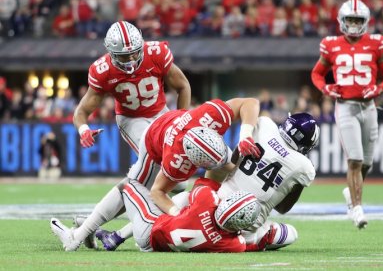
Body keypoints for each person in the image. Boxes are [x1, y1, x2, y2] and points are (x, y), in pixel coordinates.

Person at [50, 97, 261, 251]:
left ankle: (91, 229)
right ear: (192, 161)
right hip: (153, 144)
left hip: (172, 122)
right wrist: (179, 214)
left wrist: (245, 135)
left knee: (177, 197)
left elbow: (250, 102)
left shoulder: (209, 116)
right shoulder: (175, 161)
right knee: (132, 185)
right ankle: (81, 235)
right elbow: (157, 192)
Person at [72, 20, 191, 248]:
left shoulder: (156, 53)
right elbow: (82, 111)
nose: (128, 61)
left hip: (162, 115)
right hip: (131, 120)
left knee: (179, 184)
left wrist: (181, 119)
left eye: (132, 54)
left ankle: (90, 225)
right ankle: (95, 226)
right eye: (122, 56)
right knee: (152, 176)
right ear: (110, 53)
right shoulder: (103, 70)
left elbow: (183, 85)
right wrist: (83, 129)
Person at [310, 0, 383, 229]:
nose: (354, 24)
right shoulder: (331, 45)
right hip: (346, 106)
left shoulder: (376, 44)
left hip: (369, 107)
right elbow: (317, 74)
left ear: (366, 21)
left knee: (366, 163)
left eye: (358, 20)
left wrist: (378, 88)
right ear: (341, 20)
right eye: (350, 19)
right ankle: (357, 208)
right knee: (355, 160)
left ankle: (351, 193)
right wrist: (325, 88)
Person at [53, 176, 261, 253]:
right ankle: (103, 234)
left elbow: (205, 181)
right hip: (159, 244)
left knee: (129, 184)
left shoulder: (206, 200)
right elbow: (246, 242)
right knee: (177, 201)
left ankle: (74, 239)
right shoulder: (234, 244)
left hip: (151, 228)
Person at [216, 113, 320, 250]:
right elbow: (282, 208)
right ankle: (256, 241)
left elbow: (233, 159)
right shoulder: (304, 167)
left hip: (218, 203)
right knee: (291, 233)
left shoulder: (265, 124)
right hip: (245, 229)